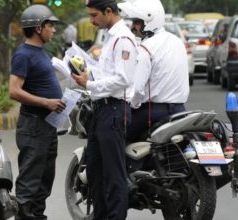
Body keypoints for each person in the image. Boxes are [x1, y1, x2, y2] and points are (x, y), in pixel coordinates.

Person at [71, 0, 138, 219]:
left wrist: (89, 84)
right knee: (96, 172)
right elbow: (106, 73)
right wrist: (86, 72)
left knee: (113, 174)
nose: (91, 20)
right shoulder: (110, 37)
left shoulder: (123, 39)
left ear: (108, 11)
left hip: (114, 110)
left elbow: (123, 79)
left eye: (94, 15)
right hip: (100, 110)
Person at [8, 4, 66, 220]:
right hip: (33, 126)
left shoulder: (41, 52)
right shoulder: (23, 54)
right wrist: (46, 103)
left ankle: (37, 216)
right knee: (30, 182)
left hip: (47, 126)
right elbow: (14, 91)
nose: (54, 30)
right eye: (50, 25)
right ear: (38, 28)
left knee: (44, 180)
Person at [119, 0, 190, 142]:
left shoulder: (146, 48)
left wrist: (131, 105)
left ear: (149, 21)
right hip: (180, 110)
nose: (132, 27)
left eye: (136, 22)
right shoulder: (176, 41)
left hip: (152, 113)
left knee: (115, 134)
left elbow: (138, 90)